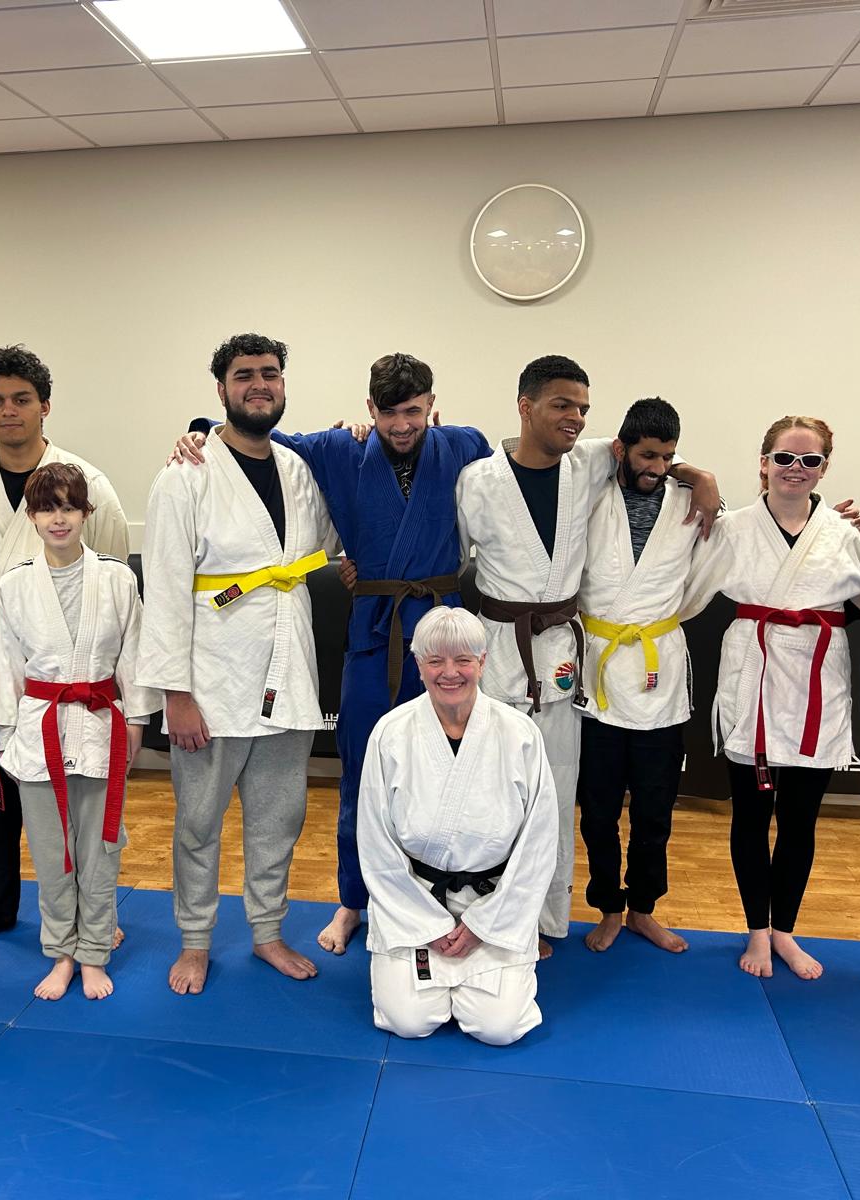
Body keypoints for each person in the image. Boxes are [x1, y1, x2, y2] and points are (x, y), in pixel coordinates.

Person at [173, 352, 491, 955]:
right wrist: (196, 429)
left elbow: (529, 467)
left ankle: (442, 899)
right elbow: (254, 433)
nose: (402, 425)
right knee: (362, 772)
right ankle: (353, 900)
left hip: (443, 633)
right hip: (374, 632)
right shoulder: (337, 450)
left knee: (448, 769)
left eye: (415, 412)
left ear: (433, 407)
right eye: (391, 412)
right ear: (369, 408)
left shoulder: (464, 445)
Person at [456, 356, 719, 952]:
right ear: (525, 406)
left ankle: (546, 920)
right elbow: (447, 559)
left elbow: (657, 453)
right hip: (500, 650)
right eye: (562, 405)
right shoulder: (477, 480)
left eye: (582, 409)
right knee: (495, 793)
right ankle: (487, 914)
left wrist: (702, 478)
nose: (575, 418)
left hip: (563, 657)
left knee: (557, 791)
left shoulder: (591, 461)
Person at [137, 332, 338, 995]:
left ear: (284, 385)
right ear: (220, 388)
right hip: (212, 680)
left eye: (271, 374)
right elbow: (164, 587)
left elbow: (333, 543)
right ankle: (195, 940)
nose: (260, 384)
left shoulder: (300, 470)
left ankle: (267, 931)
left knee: (280, 817)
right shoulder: (185, 474)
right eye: (245, 375)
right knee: (199, 821)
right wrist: (176, 693)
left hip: (287, 670)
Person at [0, 345, 130, 955]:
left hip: (71, 662)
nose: (9, 411)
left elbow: (113, 577)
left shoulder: (86, 481)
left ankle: (94, 919)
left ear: (45, 405)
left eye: (21, 399)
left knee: (78, 801)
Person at [686, 416, 860, 981]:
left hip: (817, 677)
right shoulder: (734, 528)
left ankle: (785, 929)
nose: (795, 469)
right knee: (750, 816)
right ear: (763, 462)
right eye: (784, 458)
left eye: (809, 460)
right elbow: (685, 591)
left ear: (824, 469)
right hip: (754, 675)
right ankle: (757, 931)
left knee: (800, 820)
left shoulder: (845, 536)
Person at [0, 463, 158, 1001]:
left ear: (86, 513)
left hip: (102, 727)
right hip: (39, 732)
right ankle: (60, 953)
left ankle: (95, 952)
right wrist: (7, 739)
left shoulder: (118, 579)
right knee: (54, 854)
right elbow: (2, 667)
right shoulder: (13, 585)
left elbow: (135, 656)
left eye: (69, 507)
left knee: (100, 851)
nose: (59, 518)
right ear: (31, 516)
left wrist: (139, 723)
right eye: (47, 508)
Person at [358, 607, 557, 1046]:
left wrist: (482, 926)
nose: (450, 673)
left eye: (463, 660)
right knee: (409, 1020)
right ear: (418, 666)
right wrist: (429, 924)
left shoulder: (519, 733)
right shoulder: (390, 734)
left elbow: (539, 843)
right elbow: (375, 843)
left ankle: (480, 962)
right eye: (436, 661)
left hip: (493, 905)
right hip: (414, 903)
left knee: (499, 1028)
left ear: (483, 662)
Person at [576, 398, 721, 954]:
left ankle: (643, 909)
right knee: (600, 808)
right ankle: (609, 907)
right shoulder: (590, 494)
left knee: (656, 808)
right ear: (622, 447)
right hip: (600, 669)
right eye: (647, 455)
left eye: (667, 457)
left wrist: (699, 477)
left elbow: (712, 565)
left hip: (660, 672)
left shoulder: (692, 502)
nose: (656, 467)